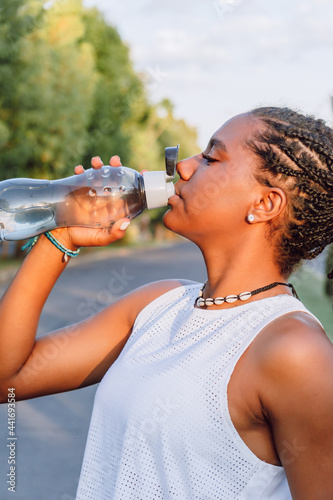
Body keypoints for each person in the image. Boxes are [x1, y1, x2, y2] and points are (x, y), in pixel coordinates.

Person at [0, 107, 333, 499]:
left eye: (211, 157)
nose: (185, 168)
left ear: (265, 204)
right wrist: (61, 235)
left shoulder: (295, 352)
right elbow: (9, 378)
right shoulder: (158, 304)